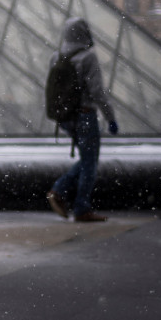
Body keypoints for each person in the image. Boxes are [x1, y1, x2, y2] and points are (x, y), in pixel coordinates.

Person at [46, 17, 119, 222]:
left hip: (66, 117)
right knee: (90, 163)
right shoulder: (88, 56)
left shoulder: (56, 56)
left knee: (88, 159)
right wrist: (110, 117)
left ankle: (63, 193)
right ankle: (79, 205)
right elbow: (96, 91)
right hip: (85, 114)